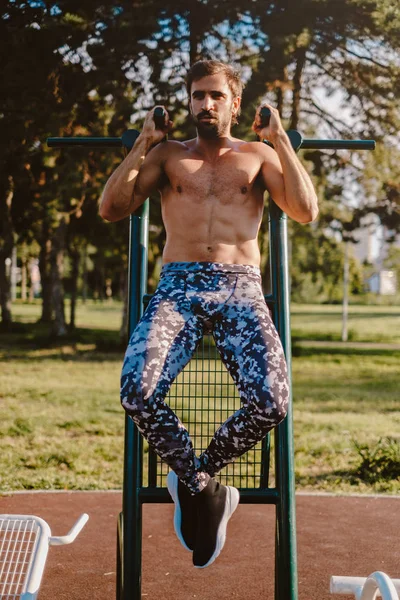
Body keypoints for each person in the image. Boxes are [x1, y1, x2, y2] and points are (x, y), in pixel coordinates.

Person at [99, 59, 318, 569]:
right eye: (198, 95)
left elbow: (306, 210)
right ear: (189, 101)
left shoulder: (258, 155)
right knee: (136, 389)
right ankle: (203, 487)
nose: (206, 104)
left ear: (235, 104)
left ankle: (196, 475)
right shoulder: (170, 156)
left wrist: (281, 138)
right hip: (178, 285)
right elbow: (112, 208)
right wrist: (144, 143)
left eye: (216, 96)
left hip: (241, 287)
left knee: (272, 400)